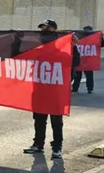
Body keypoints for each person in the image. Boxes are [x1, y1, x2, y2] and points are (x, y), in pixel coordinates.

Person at [24, 20, 79, 160]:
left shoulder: (62, 52)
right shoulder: (38, 51)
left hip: (55, 92)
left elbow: (75, 62)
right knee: (39, 119)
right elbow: (18, 56)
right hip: (39, 90)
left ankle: (57, 148)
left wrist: (74, 46)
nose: (44, 34)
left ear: (55, 32)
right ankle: (38, 144)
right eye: (42, 31)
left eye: (47, 31)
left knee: (56, 121)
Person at [71, 25, 103, 95]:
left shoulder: (94, 38)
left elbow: (102, 44)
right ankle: (76, 88)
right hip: (81, 59)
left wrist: (101, 38)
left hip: (88, 60)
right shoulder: (79, 37)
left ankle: (89, 88)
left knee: (88, 75)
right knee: (78, 75)